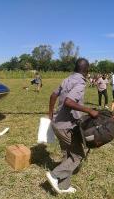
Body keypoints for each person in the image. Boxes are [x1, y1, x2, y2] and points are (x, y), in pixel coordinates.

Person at [46, 58, 99, 194]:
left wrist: (51, 113)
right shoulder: (80, 83)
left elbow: (53, 95)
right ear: (86, 70)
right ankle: (54, 175)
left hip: (57, 124)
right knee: (78, 155)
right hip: (66, 126)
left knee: (68, 154)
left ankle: (64, 186)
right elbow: (69, 102)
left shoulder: (67, 79)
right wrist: (89, 110)